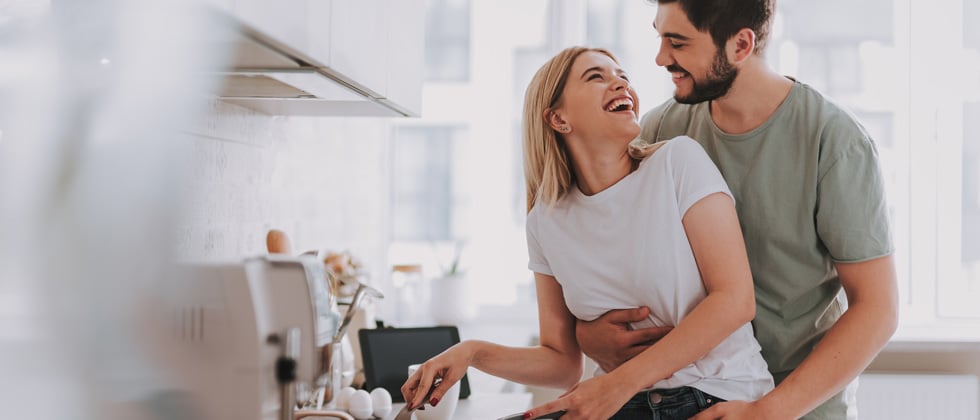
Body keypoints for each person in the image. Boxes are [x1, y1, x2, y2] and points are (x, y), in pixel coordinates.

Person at [401, 46, 773, 420]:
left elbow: (735, 300)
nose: (620, 83)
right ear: (558, 119)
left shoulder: (677, 162)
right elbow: (561, 363)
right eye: (597, 77)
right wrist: (472, 352)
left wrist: (618, 384)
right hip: (618, 404)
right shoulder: (545, 222)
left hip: (715, 396)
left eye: (622, 76)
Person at [574, 1, 900, 419]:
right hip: (686, 401)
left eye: (677, 42)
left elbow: (877, 309)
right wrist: (589, 334)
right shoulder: (659, 132)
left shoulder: (834, 141)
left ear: (741, 45)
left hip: (797, 406)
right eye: (659, 37)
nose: (660, 58)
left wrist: (765, 412)